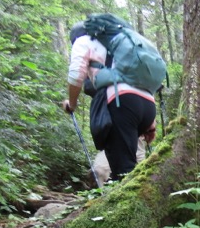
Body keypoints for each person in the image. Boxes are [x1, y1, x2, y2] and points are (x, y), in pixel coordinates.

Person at [63, 22, 156, 182]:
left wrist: (71, 103)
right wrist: (150, 122)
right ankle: (138, 194)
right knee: (132, 167)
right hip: (146, 105)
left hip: (121, 106)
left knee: (123, 172)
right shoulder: (121, 45)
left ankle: (131, 202)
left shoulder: (84, 41)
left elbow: (75, 74)